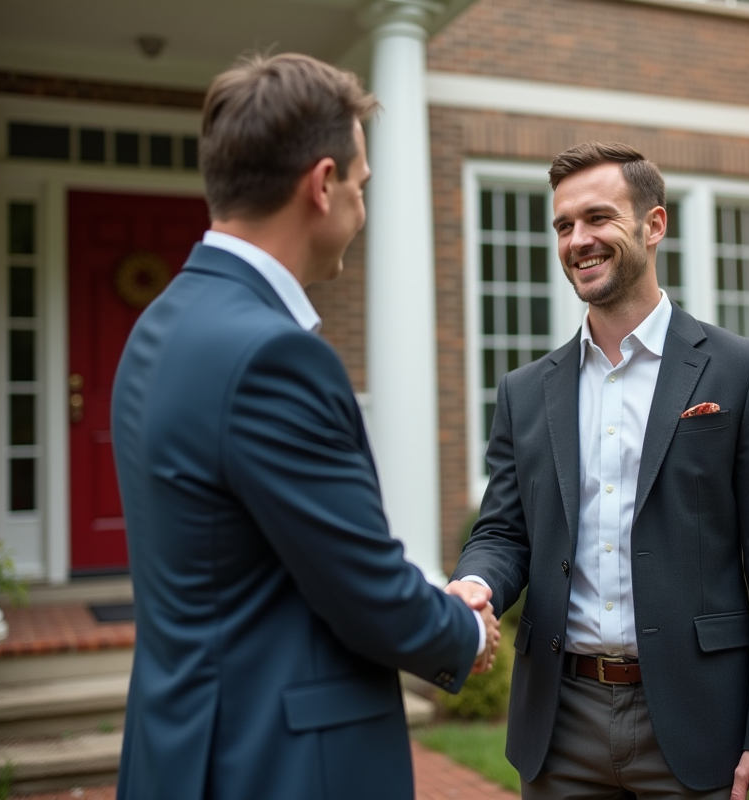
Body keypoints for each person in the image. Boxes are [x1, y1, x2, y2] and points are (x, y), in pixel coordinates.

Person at [112, 53, 499, 800]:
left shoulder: (159, 325)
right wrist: (465, 630)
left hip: (184, 746)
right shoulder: (274, 355)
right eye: (362, 185)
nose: (362, 204)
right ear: (322, 185)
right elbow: (363, 589)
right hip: (278, 765)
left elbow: (278, 554)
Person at [447, 142, 749, 800]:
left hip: (700, 720)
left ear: (653, 225)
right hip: (559, 723)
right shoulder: (525, 391)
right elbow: (503, 531)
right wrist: (475, 584)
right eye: (563, 225)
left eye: (598, 218)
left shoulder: (743, 372)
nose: (578, 240)